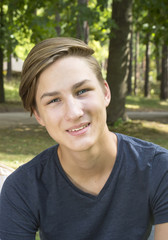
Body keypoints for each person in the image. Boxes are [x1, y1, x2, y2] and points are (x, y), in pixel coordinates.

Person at [0, 37, 168, 240]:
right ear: (38, 115)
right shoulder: (22, 188)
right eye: (54, 100)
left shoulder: (159, 168)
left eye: (82, 91)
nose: (73, 112)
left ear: (105, 92)